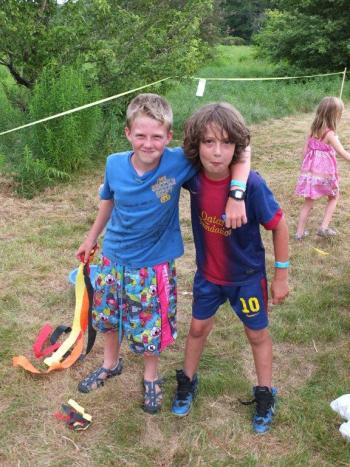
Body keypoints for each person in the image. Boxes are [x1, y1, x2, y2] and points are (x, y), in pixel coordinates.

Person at [75, 93, 251, 414]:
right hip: (112, 260)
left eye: (157, 136)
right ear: (128, 133)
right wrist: (91, 238)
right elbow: (107, 200)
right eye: (140, 135)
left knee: (148, 324)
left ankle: (151, 377)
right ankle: (111, 363)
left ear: (169, 136)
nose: (148, 143)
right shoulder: (114, 163)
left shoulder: (178, 162)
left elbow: (242, 151)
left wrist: (236, 195)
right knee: (108, 318)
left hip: (152, 266)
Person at [171, 102, 289, 434]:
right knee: (196, 329)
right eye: (208, 142)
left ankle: (265, 392)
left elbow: (279, 226)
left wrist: (281, 275)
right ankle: (187, 381)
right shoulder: (192, 178)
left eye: (226, 143)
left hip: (247, 280)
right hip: (208, 277)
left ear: (237, 146)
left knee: (257, 334)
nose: (217, 152)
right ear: (197, 146)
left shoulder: (251, 185)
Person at [295, 96, 350, 239]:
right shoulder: (330, 134)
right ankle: (323, 227)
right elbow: (342, 152)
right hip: (326, 175)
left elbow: (304, 151)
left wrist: (305, 171)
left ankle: (299, 233)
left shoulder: (312, 130)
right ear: (335, 115)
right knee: (334, 196)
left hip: (311, 174)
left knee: (308, 202)